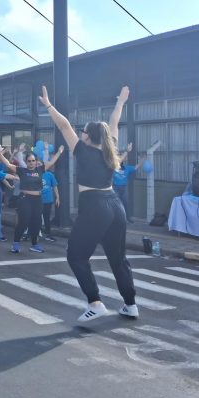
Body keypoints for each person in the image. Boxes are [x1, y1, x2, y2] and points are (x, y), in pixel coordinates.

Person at [40, 85, 138, 322]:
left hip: (95, 206)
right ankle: (131, 304)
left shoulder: (82, 150)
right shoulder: (110, 149)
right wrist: (121, 102)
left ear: (87, 136)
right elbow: (114, 121)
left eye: (82, 131)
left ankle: (95, 302)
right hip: (115, 206)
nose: (80, 133)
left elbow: (64, 126)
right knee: (118, 259)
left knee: (76, 256)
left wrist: (49, 105)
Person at [0, 145, 64, 254]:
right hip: (25, 200)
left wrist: (59, 152)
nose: (31, 163)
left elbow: (52, 162)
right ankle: (16, 244)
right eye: (29, 161)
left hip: (38, 200)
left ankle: (34, 245)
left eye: (33, 161)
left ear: (36, 161)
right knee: (23, 222)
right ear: (26, 162)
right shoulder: (22, 170)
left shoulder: (40, 169)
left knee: (37, 223)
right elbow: (8, 164)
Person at [113, 143, 142, 223]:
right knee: (116, 204)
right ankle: (117, 219)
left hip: (124, 188)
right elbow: (119, 161)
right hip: (115, 188)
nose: (123, 159)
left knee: (125, 203)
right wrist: (127, 151)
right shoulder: (114, 167)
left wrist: (142, 161)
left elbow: (136, 167)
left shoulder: (127, 168)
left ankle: (128, 218)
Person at [41, 168, 60, 242]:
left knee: (46, 218)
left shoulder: (49, 174)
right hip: (37, 200)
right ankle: (31, 234)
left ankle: (48, 235)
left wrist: (57, 197)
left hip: (48, 200)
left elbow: (55, 186)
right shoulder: (35, 174)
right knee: (35, 217)